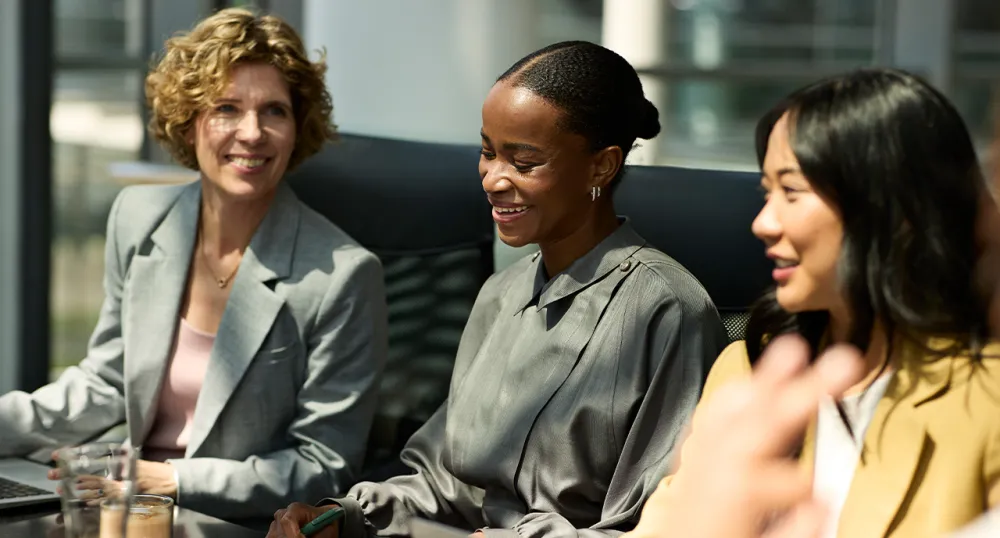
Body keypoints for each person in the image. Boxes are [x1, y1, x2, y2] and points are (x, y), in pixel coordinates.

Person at [267, 40, 728, 538]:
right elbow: (447, 485)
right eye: (488, 152)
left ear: (601, 166)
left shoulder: (666, 309)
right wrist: (345, 518)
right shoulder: (500, 294)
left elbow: (670, 524)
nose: (492, 179)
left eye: (523, 162)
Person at [0, 8, 387, 520]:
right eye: (227, 108)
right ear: (189, 123)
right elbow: (110, 382)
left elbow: (325, 466)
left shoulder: (343, 275)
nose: (252, 132)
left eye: (274, 111)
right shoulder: (139, 219)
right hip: (129, 509)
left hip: (232, 523)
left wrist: (172, 479)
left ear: (299, 127)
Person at [627, 68, 1000, 538]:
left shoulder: (986, 396)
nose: (763, 222)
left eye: (792, 191)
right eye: (767, 193)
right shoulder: (749, 368)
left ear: (892, 209)